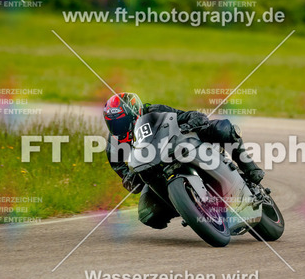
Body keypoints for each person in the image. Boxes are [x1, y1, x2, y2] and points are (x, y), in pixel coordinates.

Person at [103, 92, 264, 230]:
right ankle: (188, 206)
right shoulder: (113, 146)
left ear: (134, 113)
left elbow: (186, 116)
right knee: (148, 214)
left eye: (121, 122)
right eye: (113, 123)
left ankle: (250, 168)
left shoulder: (154, 111)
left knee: (222, 128)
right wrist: (132, 177)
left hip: (178, 148)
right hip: (154, 171)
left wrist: (189, 124)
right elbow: (126, 179)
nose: (118, 127)